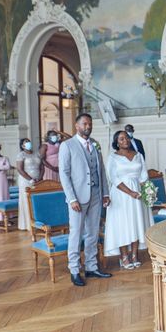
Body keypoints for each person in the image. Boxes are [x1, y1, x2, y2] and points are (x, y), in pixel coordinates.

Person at [59, 113, 112, 287]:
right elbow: (64, 175)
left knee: (92, 233)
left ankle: (91, 266)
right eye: (84, 124)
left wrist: (105, 193)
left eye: (89, 124)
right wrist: (71, 198)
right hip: (78, 197)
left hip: (96, 194)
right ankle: (74, 269)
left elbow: (101, 170)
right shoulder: (67, 146)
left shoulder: (95, 144)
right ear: (77, 126)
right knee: (76, 233)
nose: (88, 126)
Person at [105, 130, 153, 269]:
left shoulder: (138, 155)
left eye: (126, 138)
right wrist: (130, 192)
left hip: (138, 193)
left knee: (137, 222)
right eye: (121, 139)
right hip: (121, 194)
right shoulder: (113, 157)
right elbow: (113, 178)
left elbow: (143, 175)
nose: (125, 140)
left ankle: (134, 255)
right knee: (123, 225)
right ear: (116, 143)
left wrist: (146, 190)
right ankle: (124, 256)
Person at [16, 137, 43, 231]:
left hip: (38, 180)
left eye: (29, 141)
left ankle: (38, 223)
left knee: (37, 201)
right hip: (25, 180)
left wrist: (40, 178)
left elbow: (42, 167)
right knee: (27, 201)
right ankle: (27, 224)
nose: (28, 143)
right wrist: (30, 179)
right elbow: (19, 169)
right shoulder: (21, 155)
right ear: (22, 146)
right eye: (26, 142)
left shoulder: (37, 153)